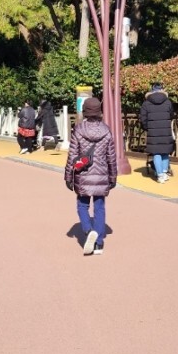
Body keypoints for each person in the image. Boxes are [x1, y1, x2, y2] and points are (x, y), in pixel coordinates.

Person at [64, 95, 117, 255]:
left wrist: (68, 176)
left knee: (82, 205)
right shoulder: (106, 130)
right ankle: (99, 243)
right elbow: (111, 157)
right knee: (99, 207)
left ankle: (88, 230)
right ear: (99, 111)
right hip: (102, 174)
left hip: (83, 174)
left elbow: (73, 155)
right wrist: (113, 176)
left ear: (85, 112)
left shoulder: (78, 129)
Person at [138, 79, 175, 182]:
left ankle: (159, 175)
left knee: (156, 153)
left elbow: (143, 118)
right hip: (165, 130)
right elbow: (171, 115)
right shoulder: (168, 102)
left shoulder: (146, 103)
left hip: (153, 131)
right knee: (165, 152)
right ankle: (164, 172)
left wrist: (147, 127)